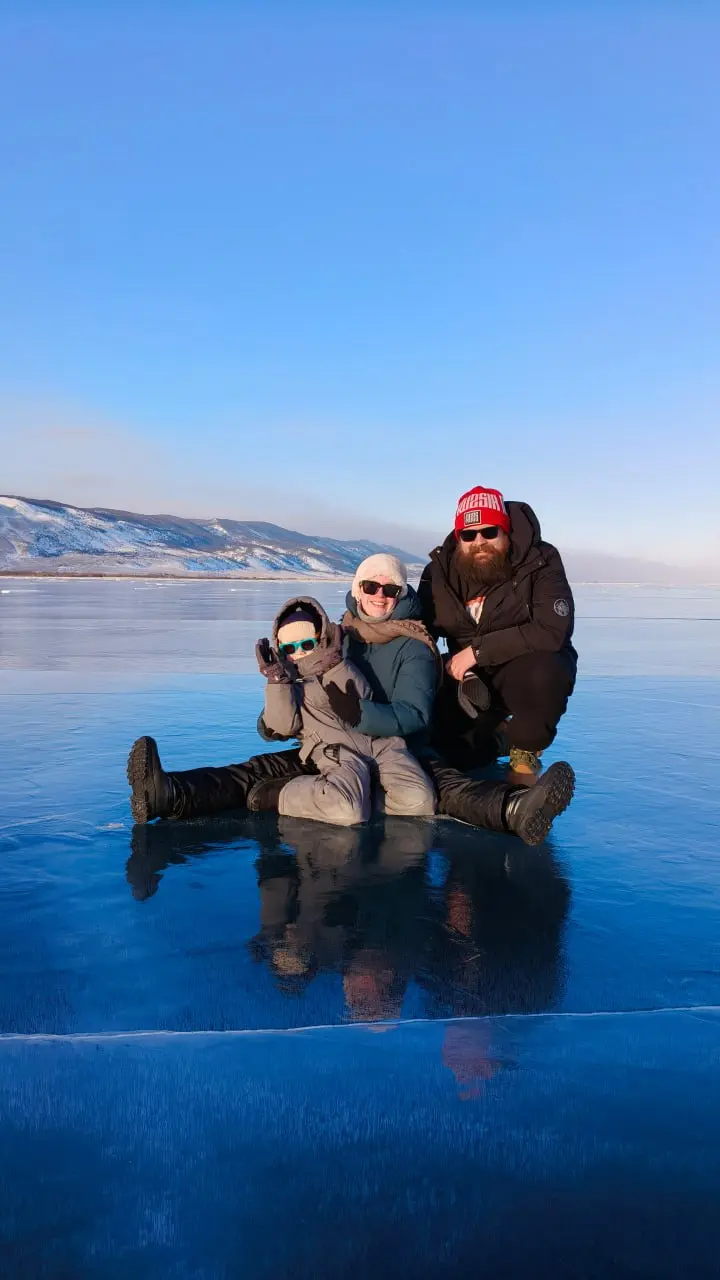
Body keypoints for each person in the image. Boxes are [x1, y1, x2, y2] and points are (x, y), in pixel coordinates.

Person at [127, 552, 574, 845]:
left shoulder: (412, 646)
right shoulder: (335, 634)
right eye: (370, 587)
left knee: (444, 792)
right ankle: (169, 793)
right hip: (334, 745)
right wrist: (275, 710)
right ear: (356, 589)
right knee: (252, 771)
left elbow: (414, 715)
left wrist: (361, 715)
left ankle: (514, 809)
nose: (379, 597)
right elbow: (302, 683)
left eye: (390, 590)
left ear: (402, 595)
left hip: (400, 746)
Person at [419, 486, 577, 778]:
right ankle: (497, 740)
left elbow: (552, 630)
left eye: (489, 532)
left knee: (546, 671)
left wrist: (478, 651)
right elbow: (419, 629)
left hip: (522, 668)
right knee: (457, 754)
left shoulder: (539, 561)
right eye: (469, 535)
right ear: (459, 539)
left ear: (505, 531)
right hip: (469, 681)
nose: (479, 542)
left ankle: (526, 746)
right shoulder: (439, 572)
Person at [251, 594, 435, 824]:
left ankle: (361, 800)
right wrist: (277, 681)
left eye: (306, 644)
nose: (299, 652)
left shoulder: (338, 658)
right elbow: (283, 726)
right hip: (337, 753)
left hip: (379, 744)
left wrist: (335, 667)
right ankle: (285, 794)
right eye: (290, 647)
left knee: (420, 801)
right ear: (280, 647)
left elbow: (361, 697)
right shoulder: (288, 682)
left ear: (319, 638)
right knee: (348, 811)